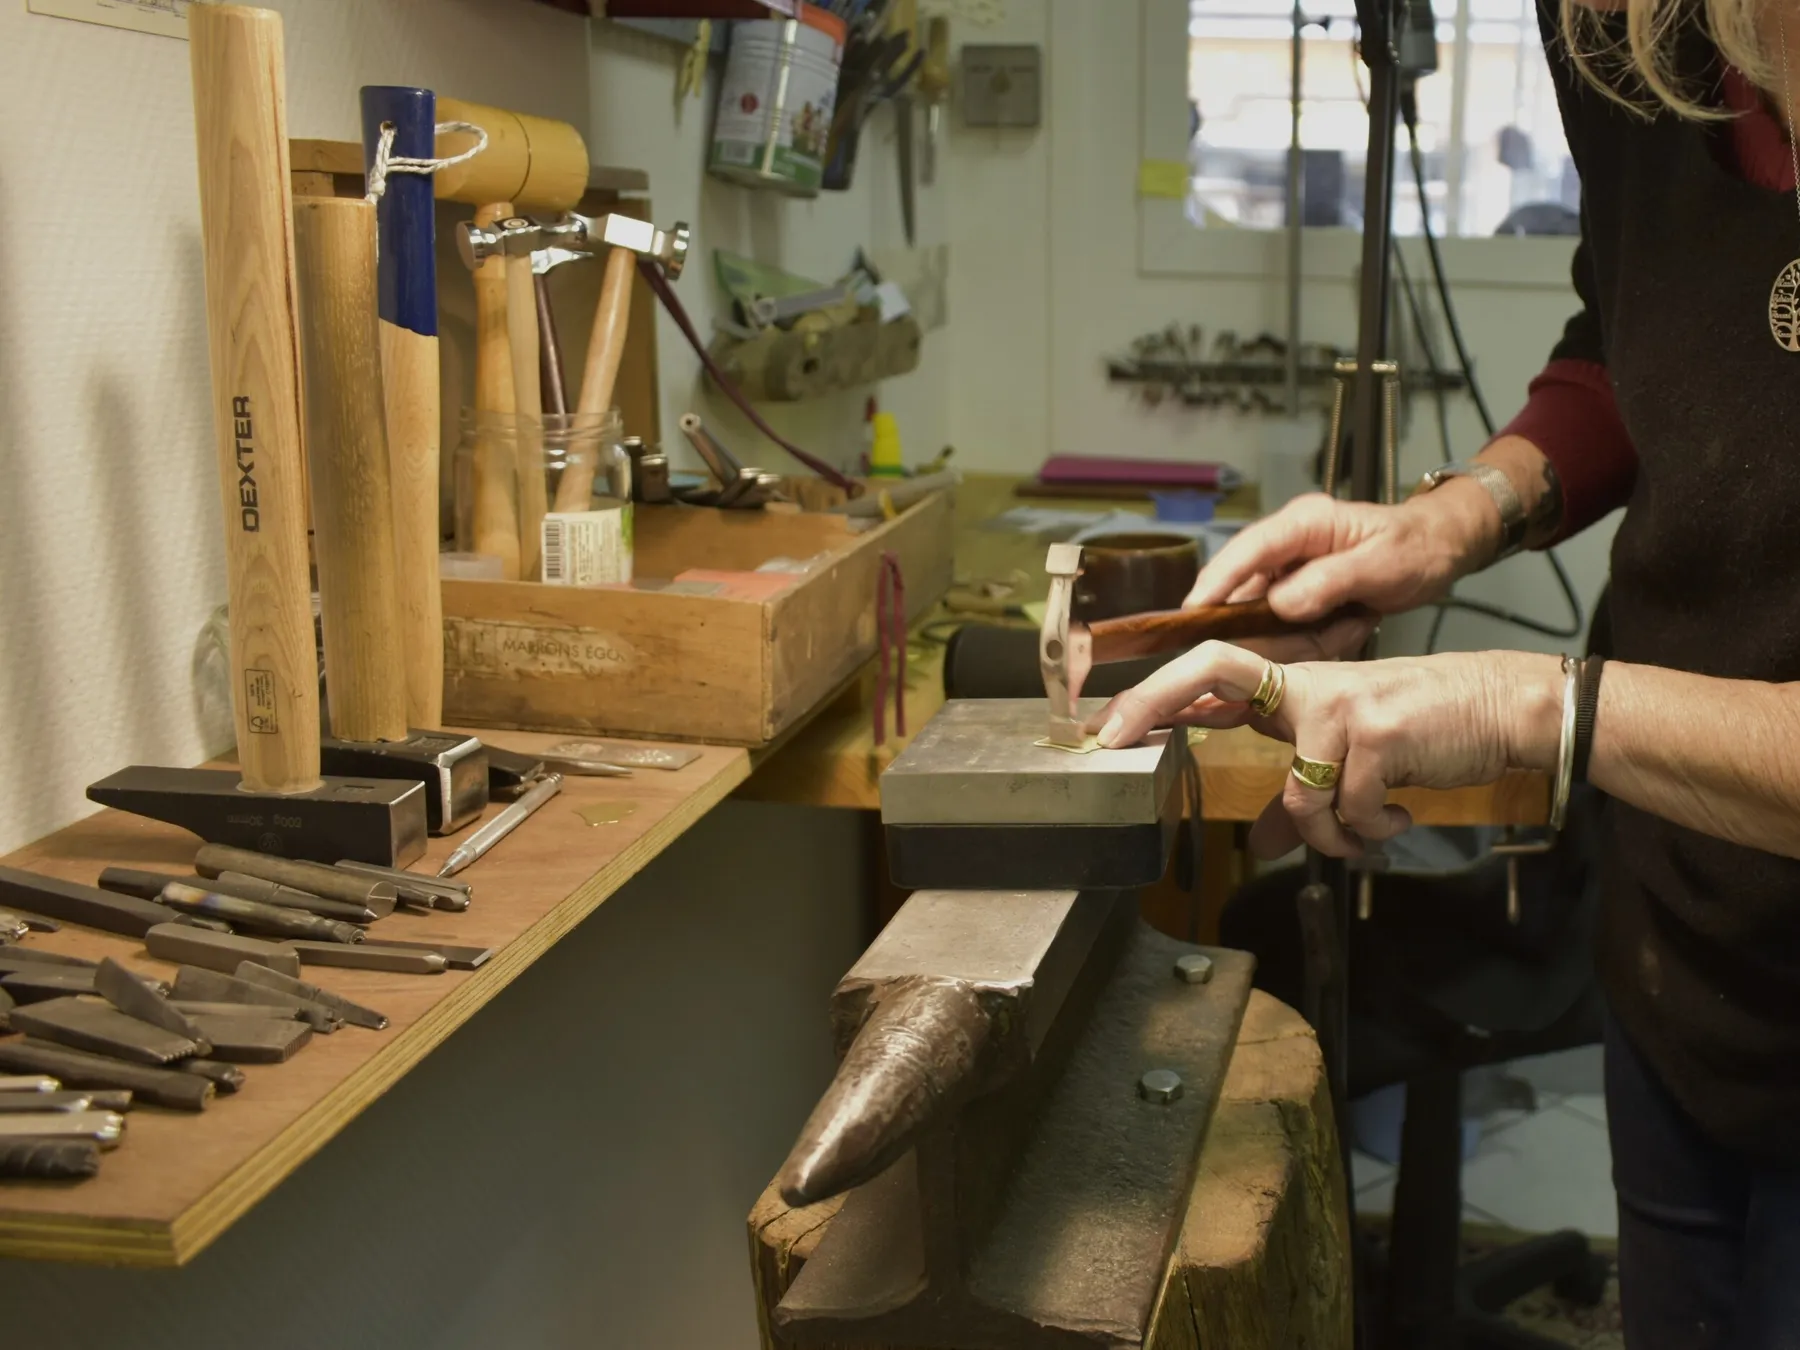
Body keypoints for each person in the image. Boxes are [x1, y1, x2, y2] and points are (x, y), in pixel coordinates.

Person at [1090, 0, 1800, 1343]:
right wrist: (1453, 520)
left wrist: (1526, 701)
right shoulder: (1620, 35)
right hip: (1686, 947)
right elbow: (1634, 336)